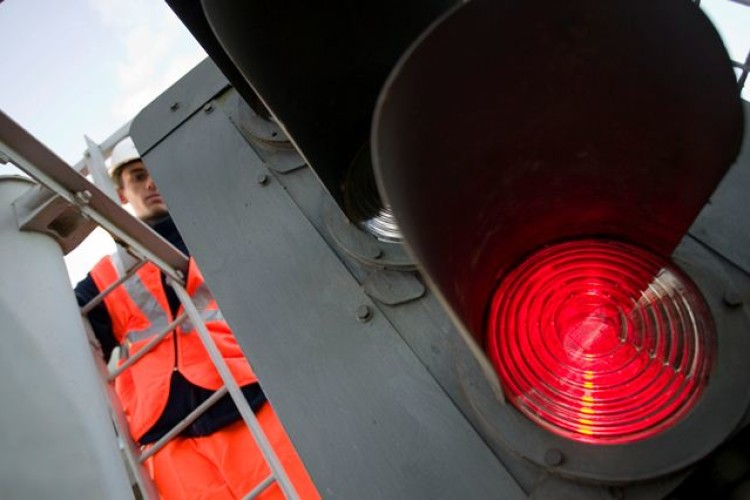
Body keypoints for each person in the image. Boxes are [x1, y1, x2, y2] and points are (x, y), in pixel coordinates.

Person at [75, 137, 319, 500]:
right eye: (139, 176)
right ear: (122, 193)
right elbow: (70, 336)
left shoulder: (216, 232)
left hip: (243, 398)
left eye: (157, 173)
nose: (152, 183)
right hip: (166, 436)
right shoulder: (105, 276)